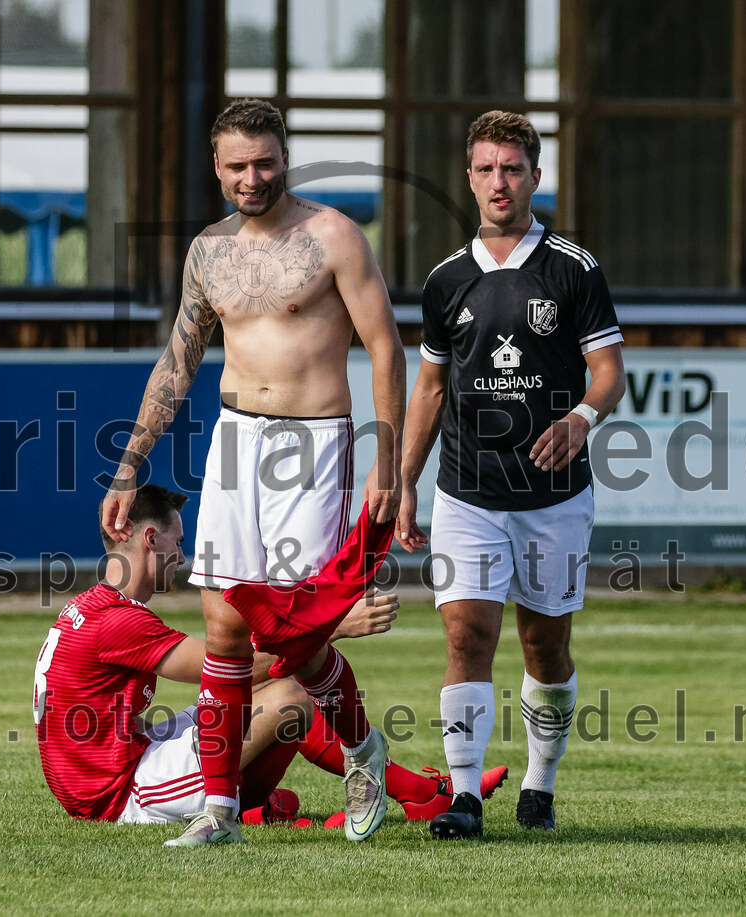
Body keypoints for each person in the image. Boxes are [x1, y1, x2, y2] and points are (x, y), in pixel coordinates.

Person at [100, 99, 407, 845]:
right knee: (225, 626)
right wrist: (130, 463)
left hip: (315, 444)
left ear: (285, 157)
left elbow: (386, 347)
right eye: (238, 165)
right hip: (235, 439)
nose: (252, 177)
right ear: (217, 165)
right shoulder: (208, 251)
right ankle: (219, 811)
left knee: (299, 635)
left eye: (265, 162)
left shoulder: (334, 236)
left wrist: (389, 460)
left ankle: (364, 748)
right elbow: (178, 363)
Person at [35, 485, 508, 839]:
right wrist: (331, 626)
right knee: (289, 698)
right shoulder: (118, 621)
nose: (182, 556)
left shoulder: (93, 606)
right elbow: (222, 667)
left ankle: (268, 804)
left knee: (271, 695)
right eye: (176, 543)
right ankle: (419, 794)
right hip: (118, 794)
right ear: (150, 538)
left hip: (115, 765)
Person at [396, 111, 626, 839]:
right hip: (467, 491)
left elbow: (610, 372)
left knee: (544, 648)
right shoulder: (446, 280)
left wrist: (581, 418)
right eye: (487, 169)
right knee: (467, 637)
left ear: (535, 177)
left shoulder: (573, 268)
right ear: (469, 179)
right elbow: (430, 387)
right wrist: (404, 480)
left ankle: (539, 782)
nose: (500, 181)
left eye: (513, 169)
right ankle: (465, 796)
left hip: (554, 498)